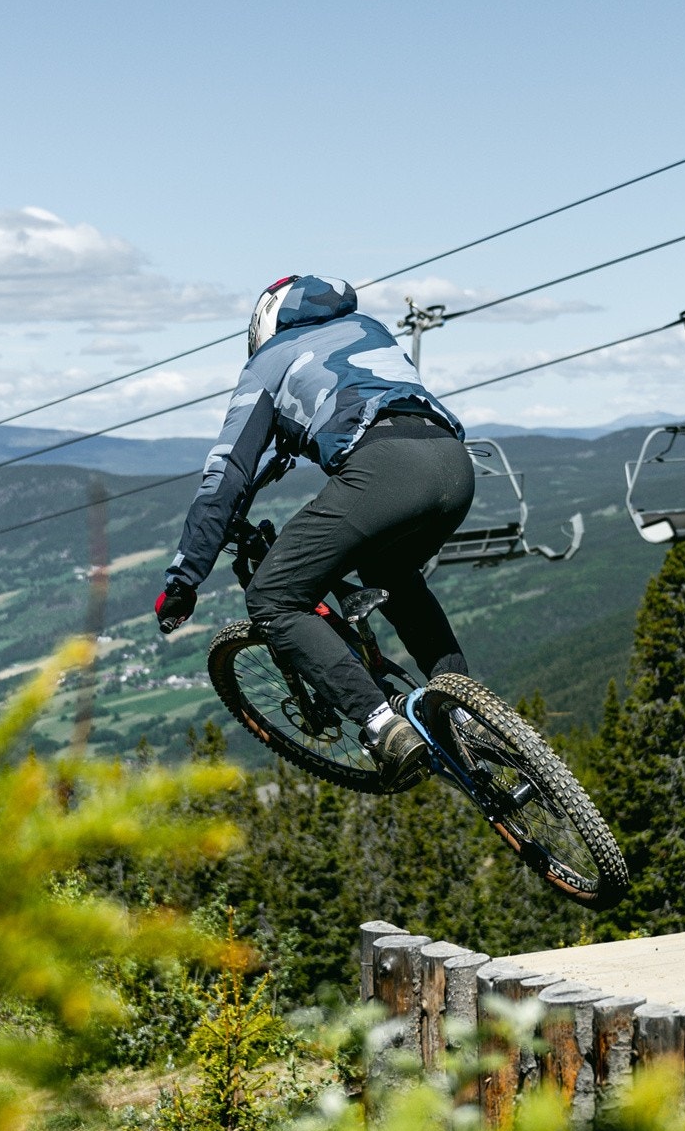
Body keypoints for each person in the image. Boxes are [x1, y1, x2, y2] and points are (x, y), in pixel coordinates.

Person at [154, 274, 476, 787]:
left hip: (386, 470)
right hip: (454, 466)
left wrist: (184, 578)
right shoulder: (367, 329)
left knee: (274, 596)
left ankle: (381, 725)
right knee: (389, 568)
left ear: (267, 320)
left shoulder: (269, 361)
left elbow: (228, 474)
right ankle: (462, 707)